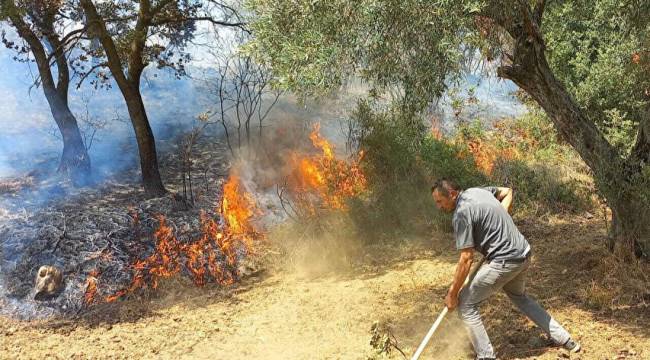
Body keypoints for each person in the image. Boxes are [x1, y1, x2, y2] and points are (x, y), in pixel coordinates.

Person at [431, 179, 580, 360]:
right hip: (523, 253)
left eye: (440, 201)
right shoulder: (477, 191)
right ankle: (565, 339)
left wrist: (452, 293)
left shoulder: (461, 213)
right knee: (520, 297)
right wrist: (504, 210)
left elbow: (466, 258)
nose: (438, 206)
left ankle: (486, 356)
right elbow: (507, 191)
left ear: (452, 194)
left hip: (505, 261)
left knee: (466, 304)